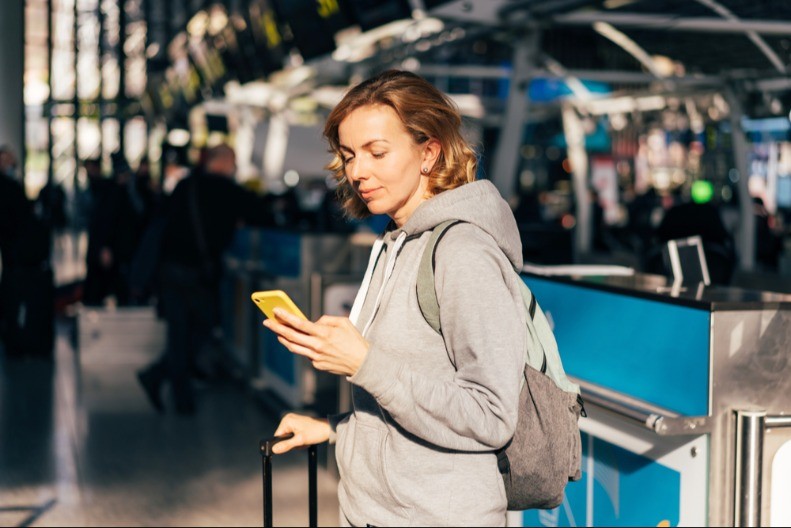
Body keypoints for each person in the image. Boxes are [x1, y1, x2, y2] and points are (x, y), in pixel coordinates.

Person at [263, 70, 525, 526]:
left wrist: (365, 362)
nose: (357, 171)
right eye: (349, 156)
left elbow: (491, 415)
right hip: (373, 513)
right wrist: (334, 428)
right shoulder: (393, 242)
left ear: (428, 152)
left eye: (377, 152)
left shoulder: (464, 252)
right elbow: (407, 393)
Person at [136, 144, 273, 415]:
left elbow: (162, 219)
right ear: (223, 162)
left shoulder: (185, 185)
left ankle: (171, 387)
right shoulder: (228, 191)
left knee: (179, 331)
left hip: (169, 267)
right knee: (204, 326)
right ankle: (171, 387)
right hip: (197, 271)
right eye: (233, 161)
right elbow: (264, 215)